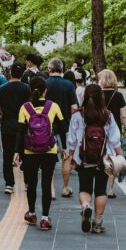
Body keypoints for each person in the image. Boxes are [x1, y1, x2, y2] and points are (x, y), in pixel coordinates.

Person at [67, 83, 122, 235]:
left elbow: (72, 139)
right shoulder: (108, 115)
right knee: (100, 190)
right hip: (103, 159)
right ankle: (98, 223)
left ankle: (85, 206)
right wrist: (120, 156)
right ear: (101, 97)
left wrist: (71, 155)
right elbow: (115, 139)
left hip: (83, 159)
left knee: (84, 188)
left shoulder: (78, 115)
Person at [13, 76, 63, 231]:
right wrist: (64, 146)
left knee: (32, 184)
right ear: (45, 90)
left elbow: (20, 132)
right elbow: (61, 127)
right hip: (49, 149)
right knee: (46, 184)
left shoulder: (25, 107)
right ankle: (45, 219)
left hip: (30, 150)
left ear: (30, 89)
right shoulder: (53, 106)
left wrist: (17, 151)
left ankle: (32, 213)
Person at [0, 62, 29, 194]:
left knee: (7, 155)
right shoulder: (27, 88)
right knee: (26, 154)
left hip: (7, 125)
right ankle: (27, 182)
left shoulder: (1, 89)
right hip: (24, 126)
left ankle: (9, 184)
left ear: (10, 73)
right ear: (22, 74)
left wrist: (0, 118)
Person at [46, 57, 79, 199]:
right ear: (62, 70)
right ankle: (65, 188)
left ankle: (51, 190)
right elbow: (74, 107)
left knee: (49, 158)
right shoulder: (68, 85)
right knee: (66, 157)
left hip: (47, 127)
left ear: (49, 69)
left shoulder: (44, 83)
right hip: (65, 127)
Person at [98, 69, 126, 199]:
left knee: (101, 154)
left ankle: (100, 184)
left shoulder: (98, 94)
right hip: (114, 130)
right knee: (113, 157)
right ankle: (111, 189)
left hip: (99, 129)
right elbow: (123, 116)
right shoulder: (118, 95)